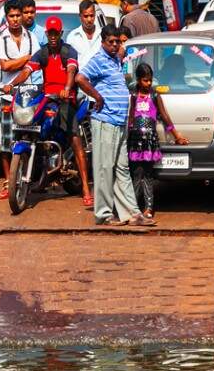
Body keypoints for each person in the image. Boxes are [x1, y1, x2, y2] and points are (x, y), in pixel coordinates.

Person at [1, 16, 91, 206]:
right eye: (49, 33)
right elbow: (27, 70)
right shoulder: (42, 53)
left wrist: (67, 88)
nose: (52, 36)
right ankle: (41, 178)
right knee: (36, 128)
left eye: (55, 33)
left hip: (67, 99)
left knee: (74, 138)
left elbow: (71, 71)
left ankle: (85, 188)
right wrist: (11, 84)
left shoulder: (68, 51)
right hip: (48, 98)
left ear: (60, 33)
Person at [76, 23, 151, 227]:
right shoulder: (99, 59)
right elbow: (80, 78)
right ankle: (103, 213)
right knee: (104, 168)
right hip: (105, 120)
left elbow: (124, 50)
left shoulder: (115, 60)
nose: (115, 45)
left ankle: (131, 213)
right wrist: (97, 96)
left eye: (117, 41)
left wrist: (121, 49)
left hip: (119, 120)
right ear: (103, 42)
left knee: (121, 168)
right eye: (111, 42)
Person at [126, 63, 188, 221]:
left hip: (149, 141)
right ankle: (133, 208)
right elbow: (131, 117)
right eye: (146, 80)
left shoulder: (155, 96)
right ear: (139, 80)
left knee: (147, 175)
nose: (149, 83)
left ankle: (148, 208)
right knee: (135, 174)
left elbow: (165, 116)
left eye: (150, 80)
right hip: (135, 140)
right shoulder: (133, 96)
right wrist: (126, 136)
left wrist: (177, 136)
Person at [0, 0, 39, 186]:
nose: (16, 19)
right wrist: (27, 58)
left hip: (28, 97)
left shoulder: (31, 37)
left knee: (28, 139)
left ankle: (26, 179)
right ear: (6, 18)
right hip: (7, 97)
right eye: (11, 16)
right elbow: (5, 66)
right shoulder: (1, 39)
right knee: (6, 142)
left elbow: (34, 66)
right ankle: (8, 182)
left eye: (18, 15)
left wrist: (18, 63)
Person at [65, 0, 102, 69]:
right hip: (79, 78)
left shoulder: (102, 35)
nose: (89, 19)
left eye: (91, 16)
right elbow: (69, 62)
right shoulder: (72, 37)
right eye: (85, 16)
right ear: (80, 16)